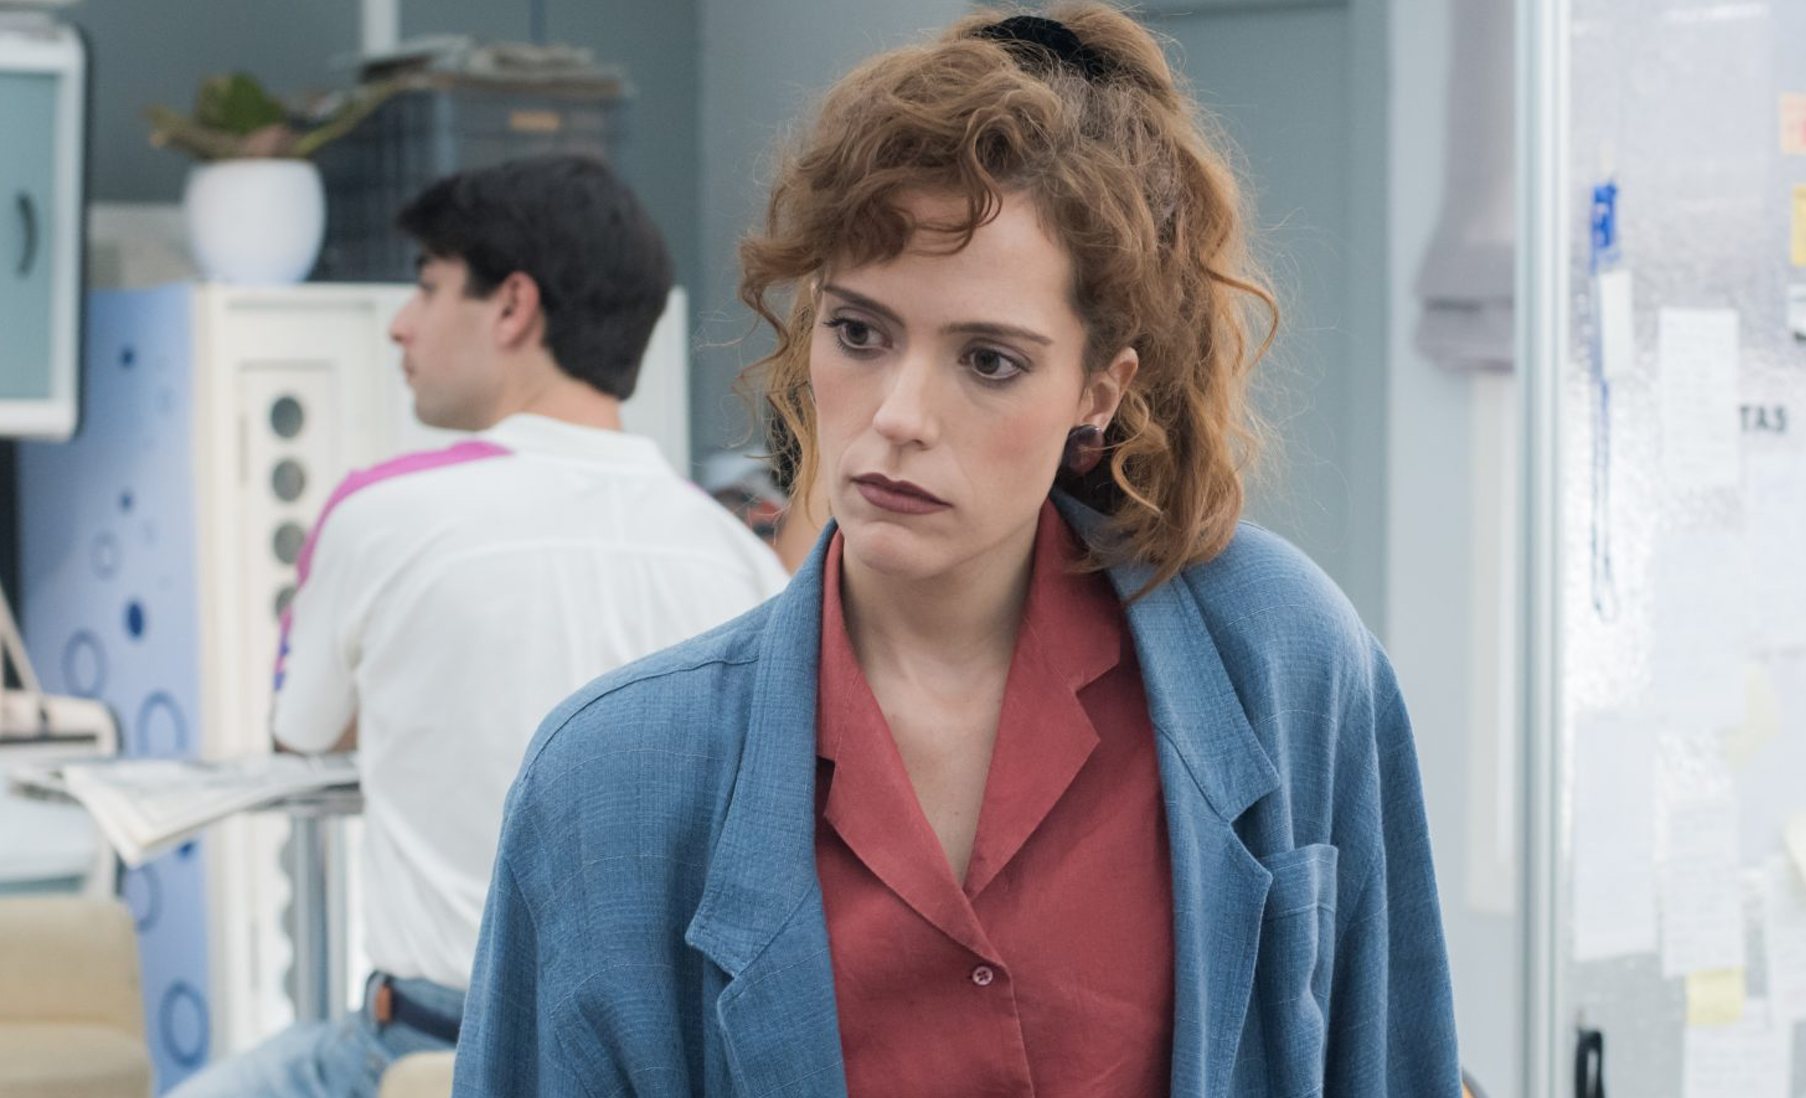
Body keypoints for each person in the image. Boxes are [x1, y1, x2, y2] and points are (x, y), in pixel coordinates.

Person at [457, 9, 1460, 1096]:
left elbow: (1392, 1057)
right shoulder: (609, 782)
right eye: (858, 332)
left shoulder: (1277, 656)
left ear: (1098, 389)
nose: (899, 416)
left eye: (987, 361)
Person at [169, 154, 788, 1096]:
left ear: (512, 307)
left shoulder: (381, 512)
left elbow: (303, 733)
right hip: (661, 1058)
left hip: (432, 1048)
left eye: (427, 287)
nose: (401, 323)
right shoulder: (738, 559)